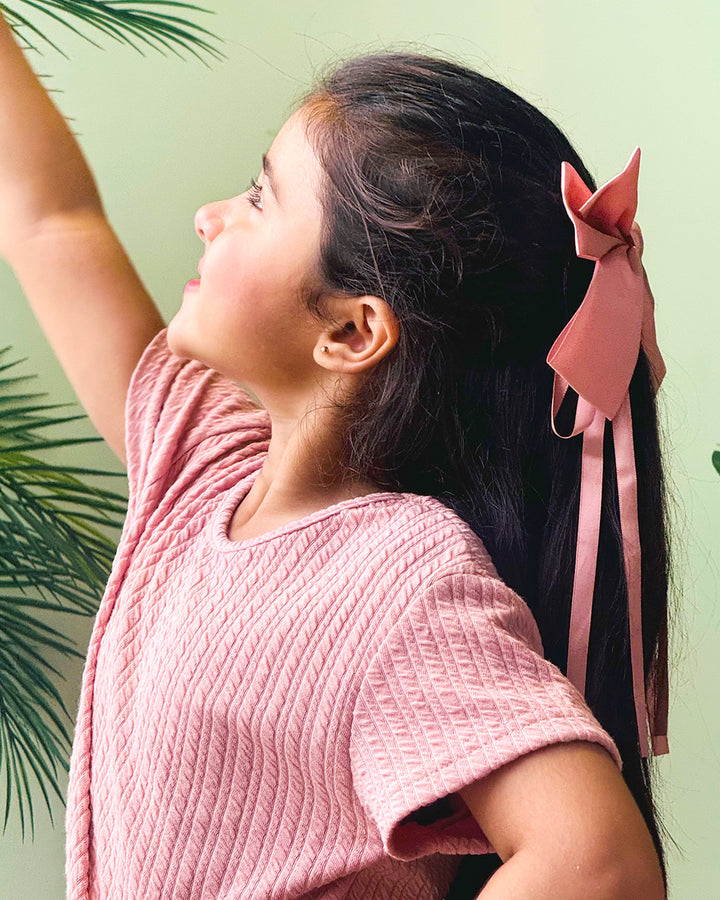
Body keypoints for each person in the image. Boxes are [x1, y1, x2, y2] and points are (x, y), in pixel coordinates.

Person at [0, 13, 670, 900]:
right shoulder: (203, 463)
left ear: (352, 330)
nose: (209, 218)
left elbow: (600, 867)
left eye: (258, 197)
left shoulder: (400, 578)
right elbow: (54, 223)